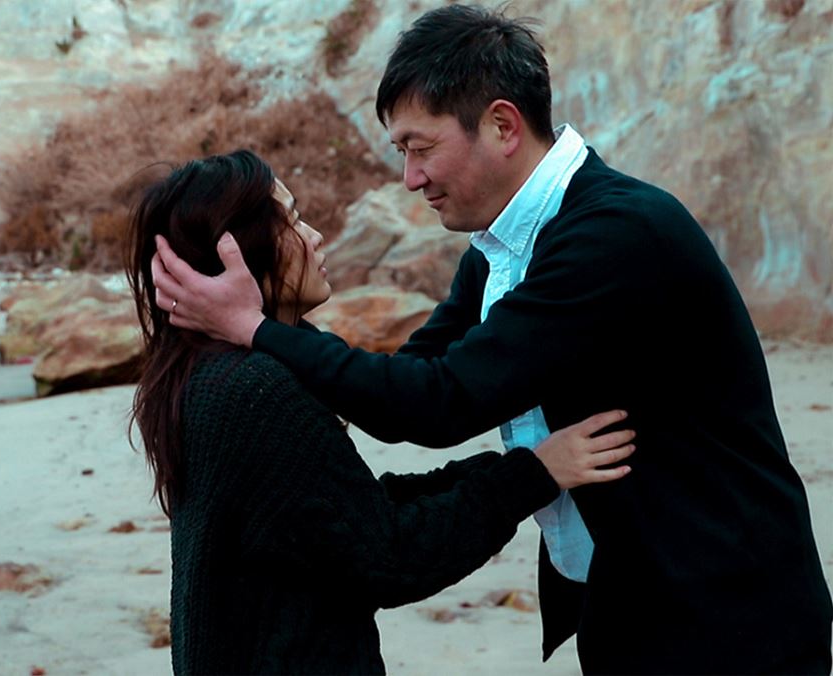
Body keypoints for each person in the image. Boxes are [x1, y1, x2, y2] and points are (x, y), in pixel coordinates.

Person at [150, 6, 833, 675]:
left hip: (728, 609)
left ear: (502, 125)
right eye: (402, 153)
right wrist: (270, 339)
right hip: (630, 599)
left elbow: (438, 402)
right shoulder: (500, 250)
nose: (411, 178)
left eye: (421, 148)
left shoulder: (614, 234)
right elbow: (408, 381)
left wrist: (256, 328)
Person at [126, 149, 637, 675]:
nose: (314, 236)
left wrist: (525, 467)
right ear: (238, 252)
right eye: (292, 221)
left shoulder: (210, 375)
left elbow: (346, 510)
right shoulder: (253, 389)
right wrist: (534, 475)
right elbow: (388, 555)